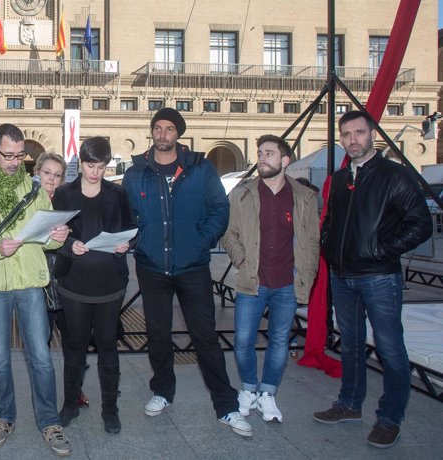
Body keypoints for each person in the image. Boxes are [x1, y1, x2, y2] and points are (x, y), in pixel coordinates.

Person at [122, 107, 253, 437]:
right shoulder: (136, 172)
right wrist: (139, 240)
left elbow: (219, 210)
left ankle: (226, 405)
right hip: (152, 267)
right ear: (152, 132)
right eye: (158, 128)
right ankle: (163, 391)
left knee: (205, 335)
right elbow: (127, 217)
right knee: (157, 333)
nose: (163, 133)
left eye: (169, 128)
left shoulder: (199, 168)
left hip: (192, 266)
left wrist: (201, 241)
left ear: (178, 134)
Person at [313, 110, 432, 448]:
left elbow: (421, 223)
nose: (353, 140)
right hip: (342, 275)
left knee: (390, 349)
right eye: (346, 134)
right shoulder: (338, 179)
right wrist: (327, 245)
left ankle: (389, 418)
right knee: (349, 344)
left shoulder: (395, 175)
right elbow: (332, 219)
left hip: (380, 277)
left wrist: (383, 249)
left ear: (372, 135)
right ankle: (349, 405)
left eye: (359, 133)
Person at [0, 124, 72, 456]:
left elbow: (43, 233)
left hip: (30, 282)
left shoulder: (33, 188)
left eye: (21, 155)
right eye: (9, 155)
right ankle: (4, 416)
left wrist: (55, 237)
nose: (16, 161)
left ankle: (49, 420)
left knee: (42, 358)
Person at [221, 134, 320, 423]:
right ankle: (249, 388)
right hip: (252, 281)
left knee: (279, 341)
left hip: (287, 283)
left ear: (285, 161)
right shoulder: (242, 194)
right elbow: (228, 233)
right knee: (243, 340)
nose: (262, 158)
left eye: (269, 153)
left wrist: (307, 275)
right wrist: (240, 258)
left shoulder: (304, 197)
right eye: (260, 153)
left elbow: (312, 241)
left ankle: (267, 393)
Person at [52, 137, 134, 434]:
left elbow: (130, 229)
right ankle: (71, 404)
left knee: (108, 345)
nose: (95, 172)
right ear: (81, 163)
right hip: (74, 282)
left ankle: (110, 409)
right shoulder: (64, 194)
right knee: (74, 346)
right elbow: (54, 234)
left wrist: (126, 244)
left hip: (110, 282)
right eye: (90, 165)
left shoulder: (118, 193)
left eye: (101, 166)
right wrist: (70, 245)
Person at [33, 154, 91, 409]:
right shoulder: (28, 200)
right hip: (38, 282)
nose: (52, 179)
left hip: (69, 280)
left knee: (75, 342)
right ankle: (43, 395)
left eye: (58, 175)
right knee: (39, 344)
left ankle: (74, 391)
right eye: (47, 173)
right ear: (37, 172)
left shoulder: (71, 201)